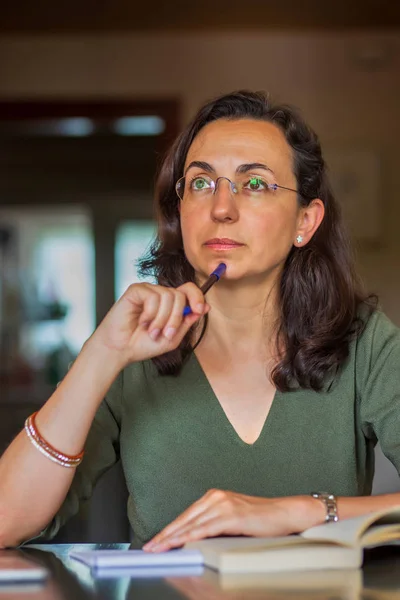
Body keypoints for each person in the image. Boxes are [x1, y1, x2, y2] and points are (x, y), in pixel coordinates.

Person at [0, 90, 399, 552]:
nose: (222, 208)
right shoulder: (132, 350)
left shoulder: (365, 340)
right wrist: (101, 355)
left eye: (254, 184)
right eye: (202, 183)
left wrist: (298, 511)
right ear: (181, 211)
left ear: (304, 222)